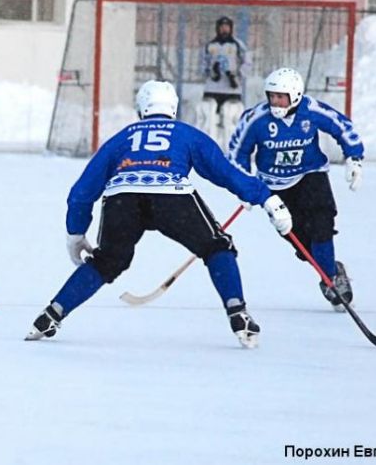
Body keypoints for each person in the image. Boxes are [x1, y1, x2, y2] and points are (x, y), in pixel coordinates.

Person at [25, 80, 293, 348]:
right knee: (217, 247)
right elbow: (224, 172)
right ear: (173, 108)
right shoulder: (186, 133)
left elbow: (81, 192)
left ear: (141, 108)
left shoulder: (122, 138)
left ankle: (51, 314)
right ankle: (238, 314)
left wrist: (76, 232)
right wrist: (266, 198)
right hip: (172, 197)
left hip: (123, 199)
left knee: (107, 261)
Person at [228, 67, 363, 311]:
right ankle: (330, 267)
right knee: (299, 240)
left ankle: (331, 279)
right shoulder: (256, 119)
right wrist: (244, 185)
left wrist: (354, 157)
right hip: (273, 186)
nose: (276, 102)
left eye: (281, 97)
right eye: (272, 96)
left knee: (322, 225)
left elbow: (342, 127)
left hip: (310, 175)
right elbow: (237, 152)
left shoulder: (311, 110)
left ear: (296, 96)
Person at [196, 16, 252, 152]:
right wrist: (211, 72)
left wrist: (236, 76)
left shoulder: (238, 46)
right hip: (212, 89)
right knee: (209, 118)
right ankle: (208, 149)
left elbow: (247, 64)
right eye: (221, 26)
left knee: (230, 118)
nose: (224, 30)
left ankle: (231, 149)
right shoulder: (210, 46)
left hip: (232, 90)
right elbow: (201, 66)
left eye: (227, 27)